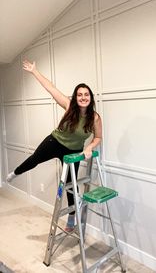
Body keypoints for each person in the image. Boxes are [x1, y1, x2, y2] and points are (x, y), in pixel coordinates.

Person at [6, 59, 102, 231]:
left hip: (74, 151)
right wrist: (34, 71)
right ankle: (15, 173)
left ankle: (72, 216)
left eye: (86, 94)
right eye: (79, 94)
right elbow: (50, 87)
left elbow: (98, 137)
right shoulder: (67, 105)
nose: (83, 97)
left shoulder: (94, 117)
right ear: (75, 97)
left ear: (90, 98)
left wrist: (89, 147)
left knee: (69, 183)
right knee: (35, 159)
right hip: (55, 142)